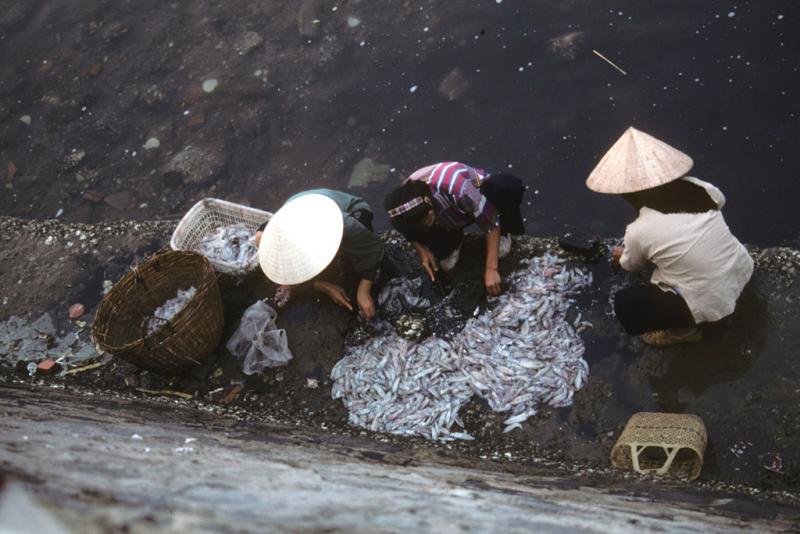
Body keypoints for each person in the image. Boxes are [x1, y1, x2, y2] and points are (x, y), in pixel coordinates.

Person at [587, 126, 753, 346]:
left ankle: (683, 333)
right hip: (739, 268)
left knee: (626, 303)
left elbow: (631, 265)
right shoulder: (700, 187)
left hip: (708, 300)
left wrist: (622, 256)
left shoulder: (640, 230)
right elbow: (720, 201)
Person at [384, 161, 526, 296]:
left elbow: (490, 225)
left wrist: (491, 269)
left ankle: (505, 232)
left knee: (505, 187)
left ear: (429, 205)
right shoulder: (400, 207)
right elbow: (404, 228)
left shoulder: (458, 188)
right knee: (439, 252)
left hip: (474, 200)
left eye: (427, 220)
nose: (426, 226)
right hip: (446, 217)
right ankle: (453, 243)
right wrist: (422, 250)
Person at [256, 189, 384, 320]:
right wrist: (324, 286)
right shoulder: (272, 231)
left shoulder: (341, 223)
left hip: (353, 211)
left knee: (356, 251)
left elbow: (373, 248)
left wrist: (364, 289)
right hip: (300, 208)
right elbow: (260, 233)